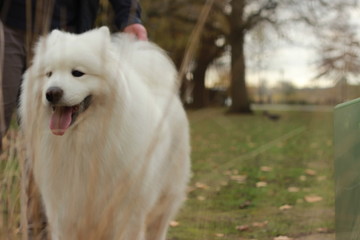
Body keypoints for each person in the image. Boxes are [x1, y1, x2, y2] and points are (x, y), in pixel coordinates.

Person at [0, 0, 147, 238]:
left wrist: (130, 17)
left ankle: (41, 231)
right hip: (7, 26)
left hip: (69, 32)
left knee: (48, 142)